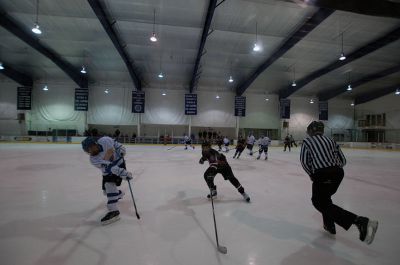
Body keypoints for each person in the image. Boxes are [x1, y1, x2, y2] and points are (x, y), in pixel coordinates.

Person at [300, 121, 378, 244]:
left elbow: (305, 162)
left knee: (318, 202)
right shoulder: (332, 141)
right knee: (325, 199)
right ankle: (329, 225)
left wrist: (313, 174)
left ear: (311, 130)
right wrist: (333, 168)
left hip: (322, 174)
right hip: (338, 173)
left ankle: (360, 221)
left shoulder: (307, 142)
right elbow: (343, 161)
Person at [81, 136, 133, 225]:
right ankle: (119, 194)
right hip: (109, 170)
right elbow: (109, 167)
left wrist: (121, 149)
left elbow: (117, 144)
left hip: (119, 163)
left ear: (95, 144)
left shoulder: (105, 140)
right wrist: (123, 173)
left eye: (90, 149)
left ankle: (114, 211)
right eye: (87, 151)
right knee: (106, 191)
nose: (89, 152)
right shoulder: (93, 159)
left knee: (109, 185)